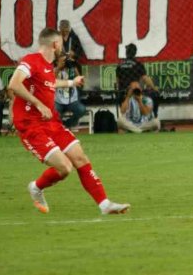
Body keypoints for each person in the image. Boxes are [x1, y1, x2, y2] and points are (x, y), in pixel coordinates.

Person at [10, 28, 129, 216]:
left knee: (80, 158)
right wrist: (38, 104)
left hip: (51, 123)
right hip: (31, 126)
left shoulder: (48, 67)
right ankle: (36, 187)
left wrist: (72, 82)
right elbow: (14, 84)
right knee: (65, 168)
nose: (63, 48)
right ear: (55, 44)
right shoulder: (31, 60)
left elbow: (50, 83)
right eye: (62, 44)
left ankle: (104, 204)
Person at [54, 54, 87, 129]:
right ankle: (59, 127)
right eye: (62, 61)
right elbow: (51, 79)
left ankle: (68, 124)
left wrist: (73, 66)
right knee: (54, 113)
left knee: (81, 110)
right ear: (56, 62)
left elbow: (81, 82)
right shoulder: (54, 69)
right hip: (58, 101)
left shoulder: (72, 69)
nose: (64, 63)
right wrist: (59, 67)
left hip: (72, 101)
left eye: (65, 61)